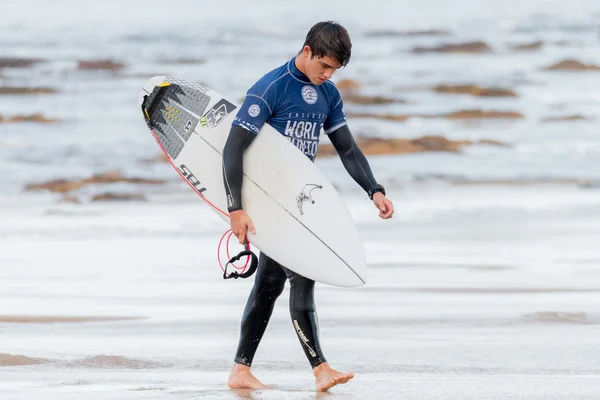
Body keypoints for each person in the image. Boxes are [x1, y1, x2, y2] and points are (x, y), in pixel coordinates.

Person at [221, 21, 394, 392]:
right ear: (307, 51)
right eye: (325, 66)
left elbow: (347, 148)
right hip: (269, 202)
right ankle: (320, 370)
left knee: (268, 284)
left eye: (334, 70)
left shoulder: (328, 95)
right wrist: (236, 208)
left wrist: (373, 190)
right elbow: (233, 147)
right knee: (304, 273)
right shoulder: (271, 88)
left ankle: (240, 371)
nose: (327, 75)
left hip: (299, 202)